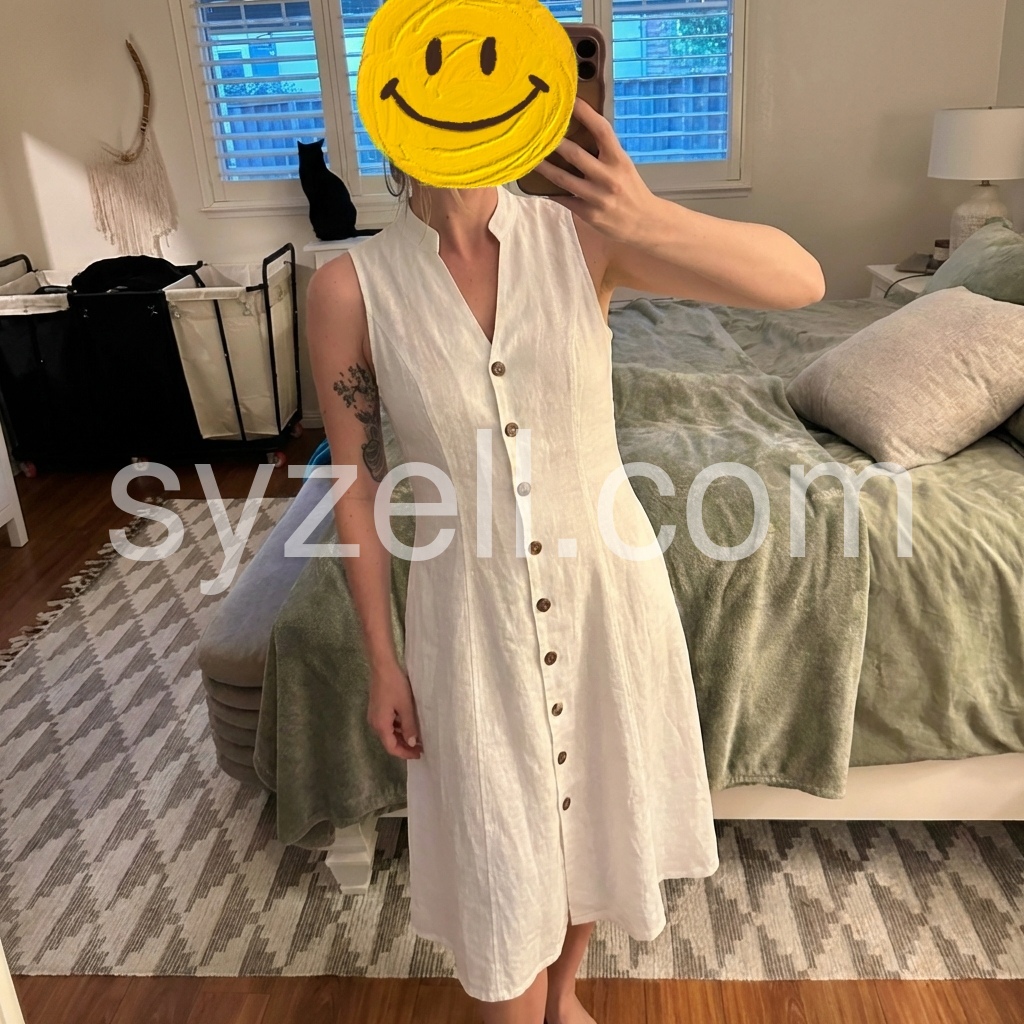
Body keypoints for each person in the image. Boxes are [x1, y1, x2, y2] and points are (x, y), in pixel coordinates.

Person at [306, 99, 825, 1024]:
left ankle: (564, 993)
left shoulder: (583, 239)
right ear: (394, 109)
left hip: (606, 596)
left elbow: (801, 283)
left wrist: (645, 215)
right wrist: (383, 658)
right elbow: (358, 484)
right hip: (470, 618)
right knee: (498, 848)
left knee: (593, 812)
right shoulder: (353, 287)